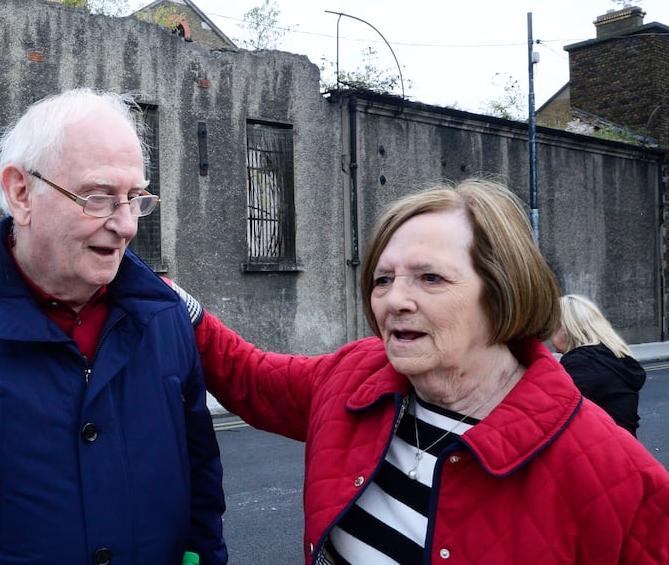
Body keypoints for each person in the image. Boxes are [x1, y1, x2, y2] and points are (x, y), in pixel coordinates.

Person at [171, 179, 668, 563]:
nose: (394, 301)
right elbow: (253, 379)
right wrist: (174, 303)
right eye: (383, 279)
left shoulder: (615, 473)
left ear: (502, 292)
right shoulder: (356, 374)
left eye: (430, 278)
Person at [0, 89, 227, 563]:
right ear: (21, 193)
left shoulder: (165, 317)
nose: (125, 224)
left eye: (135, 199)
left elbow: (202, 493)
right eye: (98, 197)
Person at [551, 294, 646, 436]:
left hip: (600, 452)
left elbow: (554, 415)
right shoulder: (612, 357)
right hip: (624, 448)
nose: (547, 334)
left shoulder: (582, 364)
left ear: (566, 329)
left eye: (551, 327)